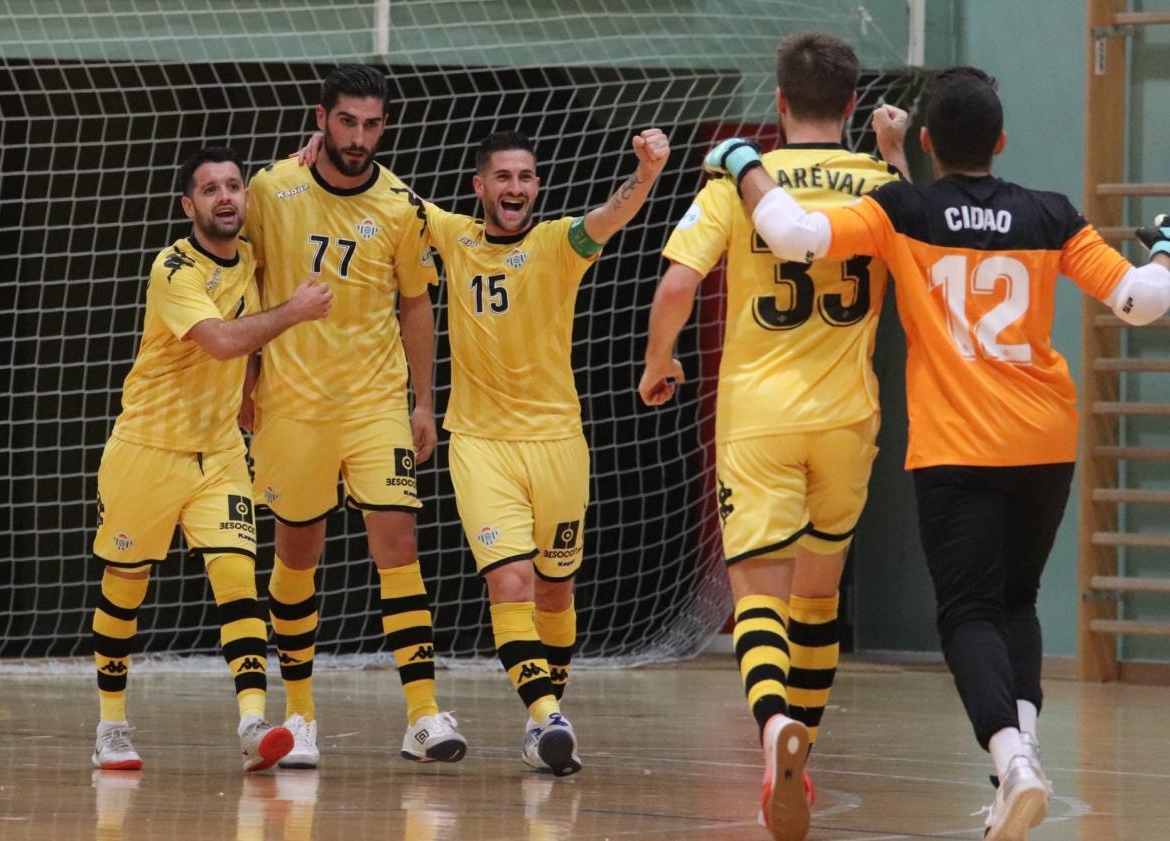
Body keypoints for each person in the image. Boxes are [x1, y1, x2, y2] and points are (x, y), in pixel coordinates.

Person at [711, 66, 1170, 841]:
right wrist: (1164, 248)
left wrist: (740, 161)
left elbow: (791, 234)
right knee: (1015, 601)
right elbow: (1140, 302)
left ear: (925, 140)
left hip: (957, 443)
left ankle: (1012, 759)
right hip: (1044, 438)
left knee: (965, 613)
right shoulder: (1049, 213)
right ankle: (1015, 766)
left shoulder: (905, 206)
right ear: (1001, 140)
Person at [638, 31, 908, 841]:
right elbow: (920, 243)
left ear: (781, 103)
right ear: (854, 105)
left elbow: (679, 281)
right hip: (849, 414)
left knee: (758, 594)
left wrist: (660, 361)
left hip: (758, 414)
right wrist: (894, 154)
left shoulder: (738, 177)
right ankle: (802, 753)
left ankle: (771, 742)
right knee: (818, 598)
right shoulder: (879, 185)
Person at [425, 127, 669, 776]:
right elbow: (378, 196)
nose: (514, 187)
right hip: (480, 444)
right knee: (511, 580)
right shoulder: (451, 235)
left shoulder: (559, 242)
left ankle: (544, 724)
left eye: (525, 177)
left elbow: (612, 215)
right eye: (502, 177)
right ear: (480, 187)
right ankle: (546, 718)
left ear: (537, 186)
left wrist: (646, 172)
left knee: (556, 592)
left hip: (558, 444)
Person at [243, 64, 465, 768]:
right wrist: (244, 380)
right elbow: (240, 280)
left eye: (372, 124)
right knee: (295, 557)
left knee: (398, 546)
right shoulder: (271, 189)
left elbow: (416, 303)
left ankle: (424, 714)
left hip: (375, 405)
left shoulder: (402, 206)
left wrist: (425, 400)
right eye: (347, 122)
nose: (359, 137)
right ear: (321, 117)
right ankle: (299, 715)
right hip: (292, 405)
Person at [90, 146, 333, 772]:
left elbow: (243, 341)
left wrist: (305, 157)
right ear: (188, 205)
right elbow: (224, 341)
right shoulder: (174, 269)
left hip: (221, 453)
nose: (224, 197)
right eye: (210, 189)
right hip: (148, 450)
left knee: (238, 585)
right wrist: (296, 312)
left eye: (233, 186)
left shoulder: (251, 254)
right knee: (125, 590)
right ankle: (111, 726)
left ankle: (254, 723)